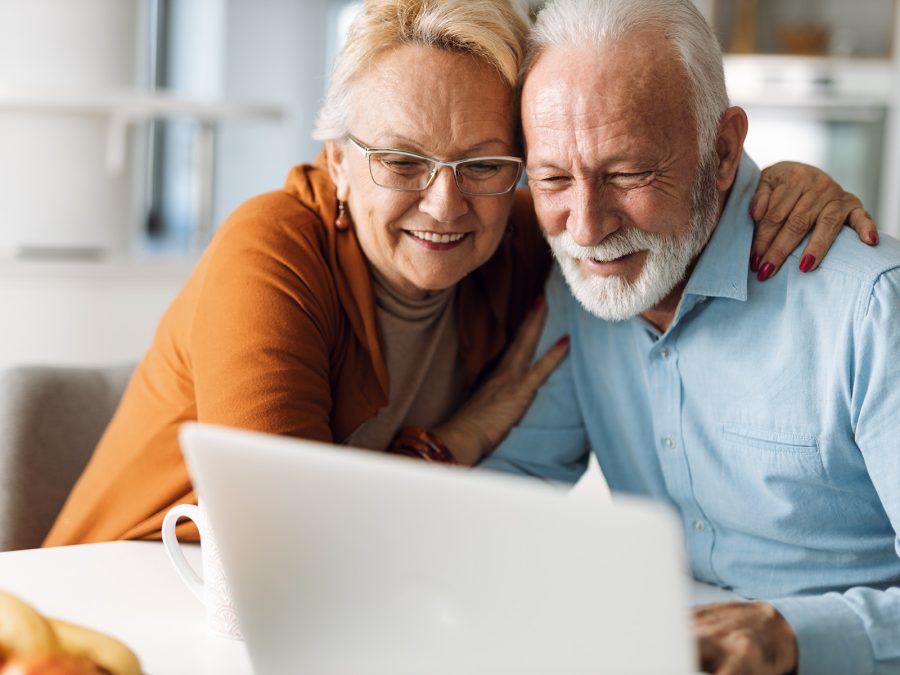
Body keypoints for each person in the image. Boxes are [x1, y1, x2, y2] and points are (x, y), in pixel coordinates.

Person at [46, 0, 875, 547]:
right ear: (335, 160)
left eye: (485, 163)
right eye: (402, 160)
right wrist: (462, 437)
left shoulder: (533, 236)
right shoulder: (271, 253)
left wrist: (778, 182)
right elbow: (287, 549)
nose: (445, 204)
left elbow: (633, 184)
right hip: (131, 601)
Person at [478, 1, 900, 674]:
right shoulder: (586, 290)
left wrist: (794, 636)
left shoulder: (869, 308)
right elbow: (502, 500)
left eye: (627, 173)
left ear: (724, 150)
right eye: (554, 178)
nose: (585, 228)